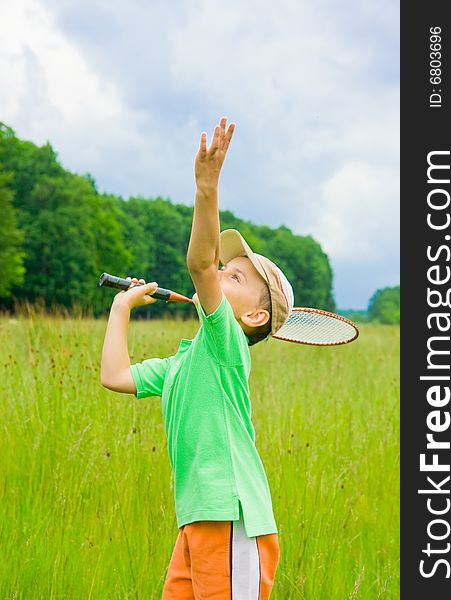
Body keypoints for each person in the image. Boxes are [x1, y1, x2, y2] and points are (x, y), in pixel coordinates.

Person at [100, 117, 294, 599]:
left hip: (231, 515)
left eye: (235, 278)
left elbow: (199, 262)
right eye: (226, 269)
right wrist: (120, 307)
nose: (220, 274)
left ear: (252, 316)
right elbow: (115, 375)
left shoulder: (225, 346)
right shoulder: (183, 363)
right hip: (198, 521)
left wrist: (206, 188)